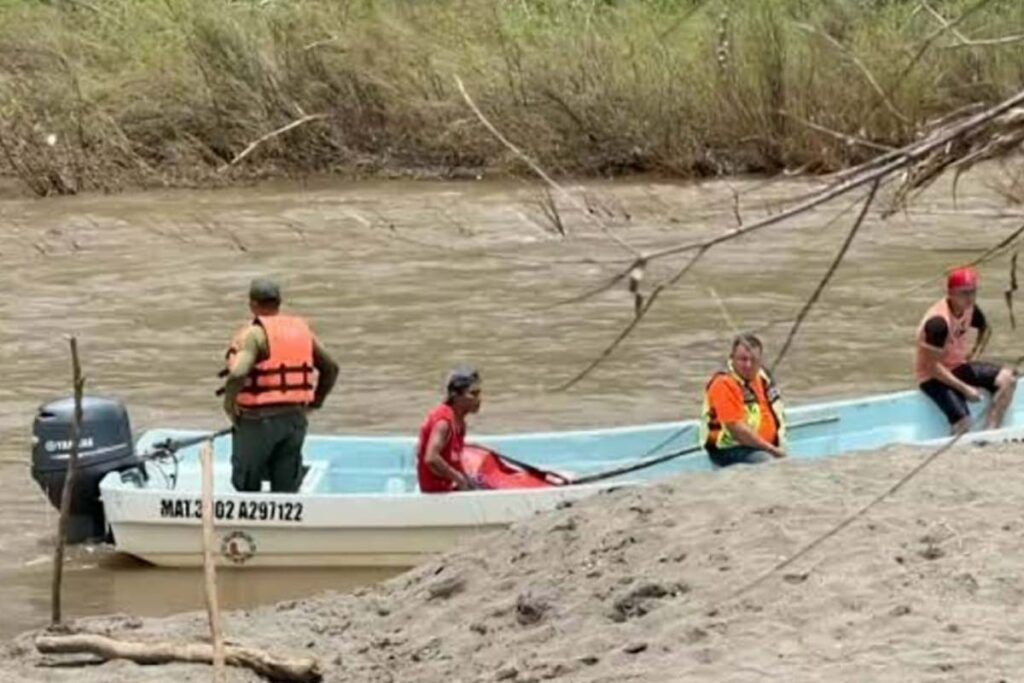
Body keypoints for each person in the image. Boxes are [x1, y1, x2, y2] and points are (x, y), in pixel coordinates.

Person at [219, 278, 339, 492]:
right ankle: (282, 524)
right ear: (279, 302)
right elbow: (331, 368)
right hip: (294, 419)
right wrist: (315, 403)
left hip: (258, 421)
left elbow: (237, 373)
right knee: (286, 484)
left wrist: (229, 406)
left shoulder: (254, 334)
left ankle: (249, 525)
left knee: (247, 481)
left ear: (252, 304)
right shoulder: (302, 332)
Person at [914, 266, 1016, 434]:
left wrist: (973, 354)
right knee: (964, 423)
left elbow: (986, 329)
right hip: (932, 377)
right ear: (950, 293)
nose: (969, 298)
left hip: (957, 367)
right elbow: (931, 367)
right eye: (964, 293)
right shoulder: (938, 323)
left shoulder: (970, 308)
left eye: (973, 292)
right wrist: (965, 389)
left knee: (1008, 379)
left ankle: (991, 432)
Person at [700, 333, 787, 468]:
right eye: (743, 359)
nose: (748, 365)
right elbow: (737, 430)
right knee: (766, 462)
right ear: (732, 358)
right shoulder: (723, 384)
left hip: (762, 445)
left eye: (754, 360)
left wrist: (779, 443)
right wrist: (773, 450)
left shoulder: (763, 377)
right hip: (728, 448)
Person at [416, 367, 483, 493]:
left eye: (479, 393)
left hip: (447, 486)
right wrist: (459, 478)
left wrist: (466, 479)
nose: (478, 399)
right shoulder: (444, 422)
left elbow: (455, 458)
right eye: (473, 394)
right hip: (435, 493)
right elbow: (431, 458)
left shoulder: (460, 423)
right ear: (455, 395)